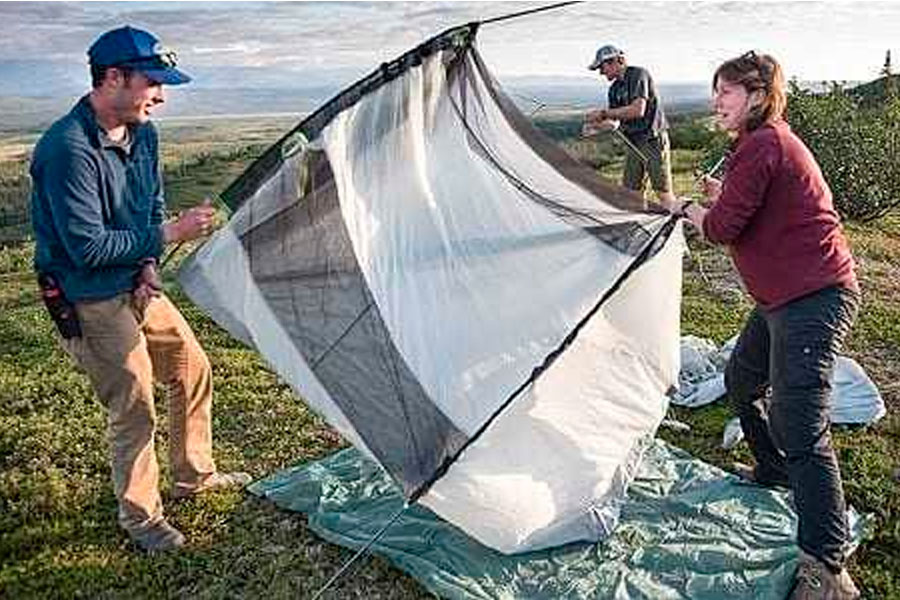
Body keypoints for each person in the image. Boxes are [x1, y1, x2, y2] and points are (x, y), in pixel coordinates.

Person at [30, 25, 250, 553]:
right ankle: (143, 520)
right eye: (152, 82)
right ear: (113, 78)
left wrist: (150, 259)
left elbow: (150, 203)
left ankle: (193, 477)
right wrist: (171, 235)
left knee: (191, 369)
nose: (161, 95)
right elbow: (88, 248)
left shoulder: (144, 132)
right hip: (88, 295)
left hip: (136, 281)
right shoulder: (65, 149)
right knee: (133, 407)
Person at [679, 51, 860, 600]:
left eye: (726, 93)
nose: (717, 102)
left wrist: (689, 210)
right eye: (715, 93)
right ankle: (774, 469)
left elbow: (724, 226)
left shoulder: (764, 144)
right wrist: (719, 200)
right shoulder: (760, 145)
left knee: (803, 424)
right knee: (742, 380)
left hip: (814, 299)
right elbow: (747, 208)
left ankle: (828, 569)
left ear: (757, 95)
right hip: (783, 298)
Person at [584, 44, 676, 210]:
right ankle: (640, 227)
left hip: (652, 139)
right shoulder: (614, 89)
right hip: (632, 142)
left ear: (616, 62)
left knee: (663, 193)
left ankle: (680, 225)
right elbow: (614, 122)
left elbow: (637, 110)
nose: (601, 72)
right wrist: (595, 127)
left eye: (602, 67)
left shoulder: (638, 74)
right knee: (632, 193)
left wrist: (604, 114)